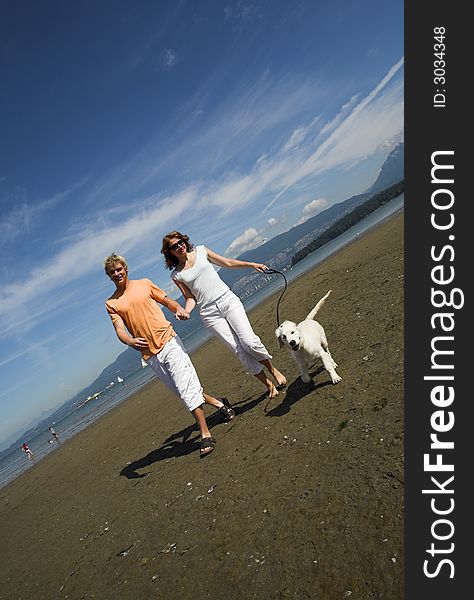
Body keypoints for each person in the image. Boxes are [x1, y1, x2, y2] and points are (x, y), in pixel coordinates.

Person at [103, 253, 234, 457]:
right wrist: (129, 340)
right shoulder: (112, 303)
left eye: (119, 269)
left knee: (186, 389)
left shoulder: (144, 284)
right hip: (150, 354)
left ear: (125, 269)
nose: (117, 273)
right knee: (185, 392)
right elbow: (119, 329)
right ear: (109, 276)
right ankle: (219, 403)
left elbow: (165, 300)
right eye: (112, 272)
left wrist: (180, 309)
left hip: (169, 341)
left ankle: (205, 434)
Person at [161, 232, 286, 399]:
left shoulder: (201, 251)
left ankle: (273, 370)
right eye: (174, 246)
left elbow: (227, 263)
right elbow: (190, 297)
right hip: (209, 314)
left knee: (249, 341)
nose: (179, 247)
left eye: (180, 242)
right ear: (169, 252)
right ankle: (268, 384)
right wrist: (186, 311)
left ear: (184, 241)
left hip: (228, 300)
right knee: (239, 350)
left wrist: (251, 264)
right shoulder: (176, 275)